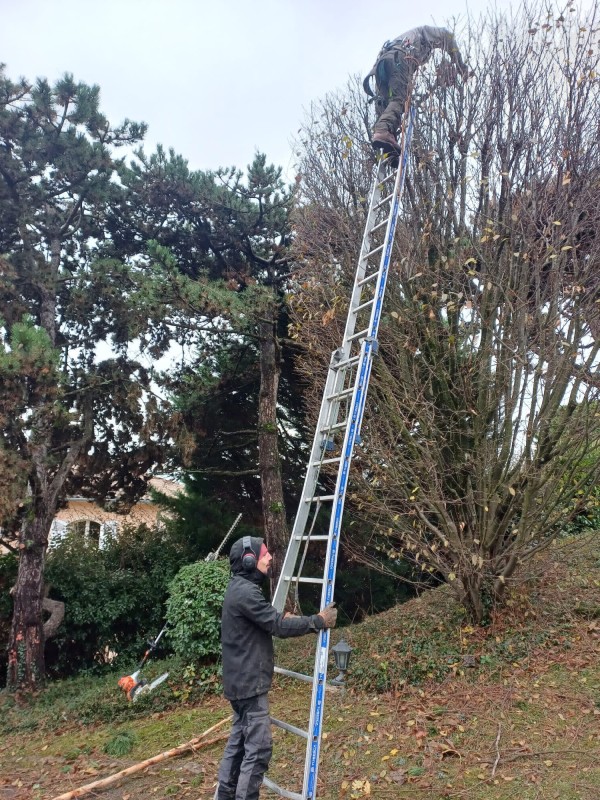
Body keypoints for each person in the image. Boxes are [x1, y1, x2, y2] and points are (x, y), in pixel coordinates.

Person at [215, 536, 338, 800]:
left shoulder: (239, 588)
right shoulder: (246, 593)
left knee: (238, 746)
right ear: (249, 561)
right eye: (263, 554)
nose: (269, 557)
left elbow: (267, 620)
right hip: (249, 686)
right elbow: (277, 626)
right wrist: (317, 621)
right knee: (258, 749)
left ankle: (224, 796)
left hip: (239, 684)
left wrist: (282, 618)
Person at [363, 26, 469, 153]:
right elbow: (447, 35)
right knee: (400, 100)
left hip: (382, 65)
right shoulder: (424, 32)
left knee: (388, 106)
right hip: (399, 58)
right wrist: (461, 67)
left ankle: (389, 147)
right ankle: (383, 131)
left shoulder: (406, 39)